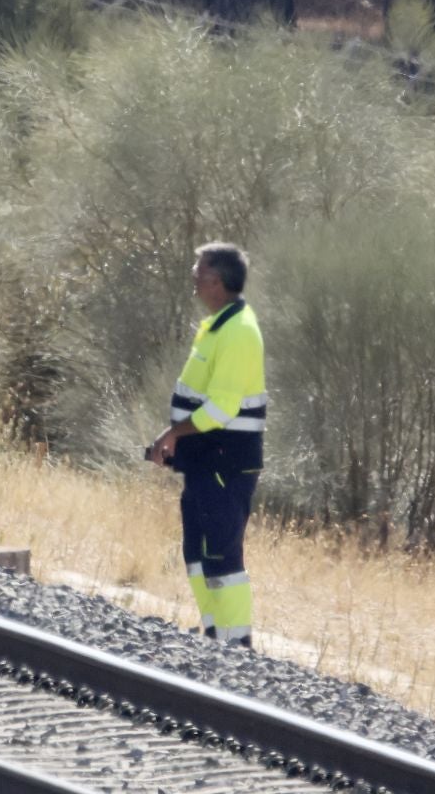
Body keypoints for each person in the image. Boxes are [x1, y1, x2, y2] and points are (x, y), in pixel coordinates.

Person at [147, 242, 267, 648]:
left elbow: (221, 409)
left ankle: (237, 645)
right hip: (204, 460)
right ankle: (213, 634)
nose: (194, 281)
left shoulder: (238, 331)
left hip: (225, 461)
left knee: (221, 553)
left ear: (218, 282)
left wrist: (173, 435)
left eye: (199, 275)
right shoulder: (216, 325)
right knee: (197, 550)